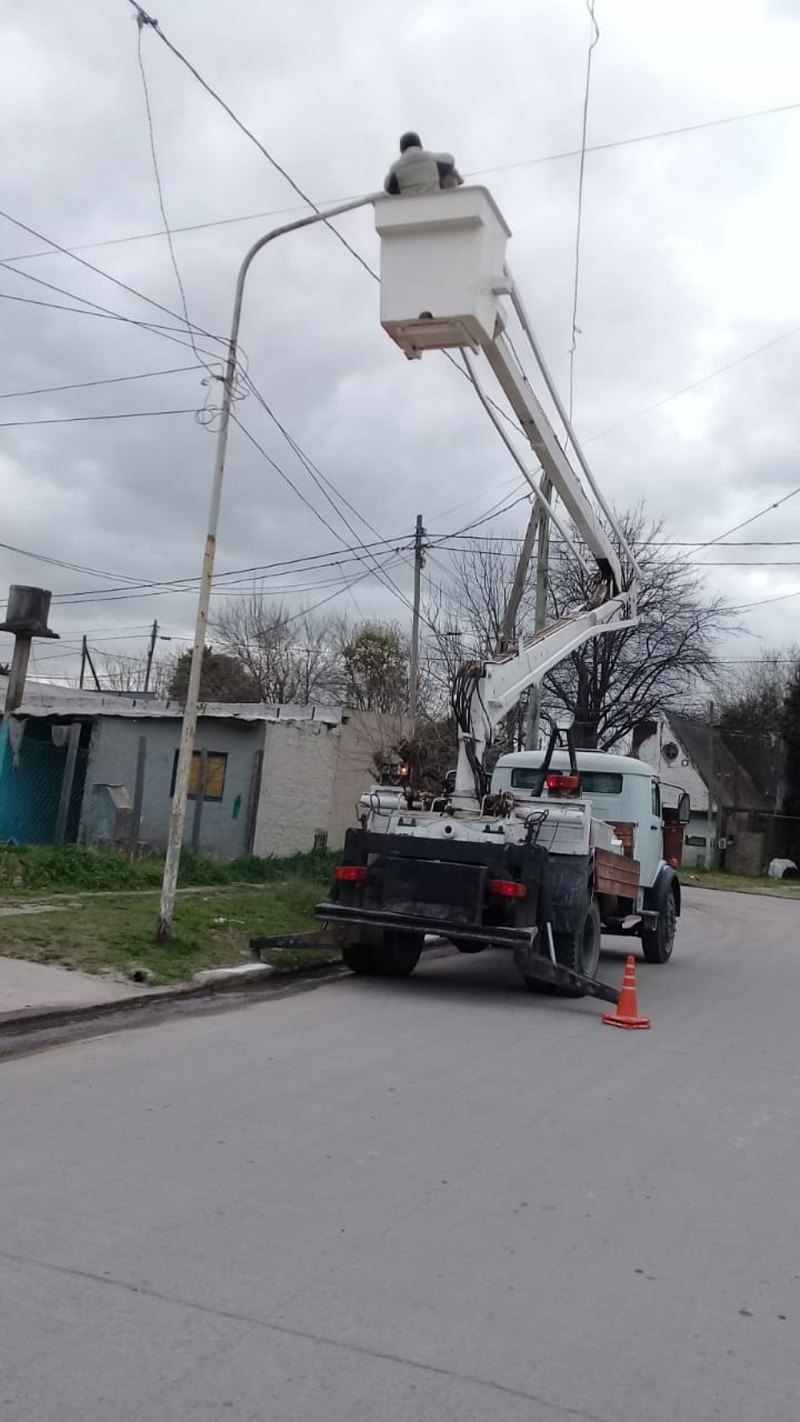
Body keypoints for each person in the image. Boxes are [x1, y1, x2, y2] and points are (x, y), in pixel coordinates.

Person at [384, 132, 463, 196]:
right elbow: (450, 160)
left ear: (401, 149)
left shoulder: (396, 167)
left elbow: (388, 188)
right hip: (435, 201)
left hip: (409, 207)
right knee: (450, 174)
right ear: (420, 145)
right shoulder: (430, 158)